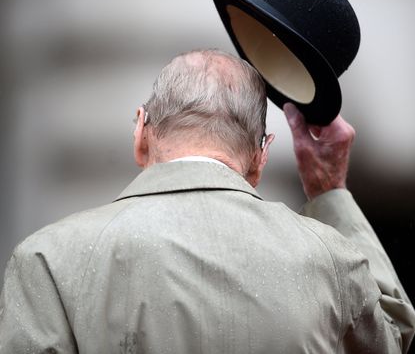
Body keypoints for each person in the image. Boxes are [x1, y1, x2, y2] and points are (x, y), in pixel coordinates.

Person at [0, 49, 414, 353]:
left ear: (141, 131)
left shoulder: (48, 261)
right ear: (261, 156)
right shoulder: (330, 261)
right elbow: (392, 337)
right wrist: (330, 191)